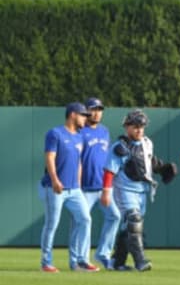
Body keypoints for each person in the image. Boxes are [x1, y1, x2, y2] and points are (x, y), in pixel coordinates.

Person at [102, 109, 176, 272]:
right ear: (127, 127)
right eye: (135, 126)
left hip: (143, 190)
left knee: (128, 227)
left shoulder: (147, 142)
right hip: (125, 189)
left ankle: (117, 262)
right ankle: (140, 261)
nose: (139, 129)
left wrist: (162, 168)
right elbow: (109, 171)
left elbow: (148, 162)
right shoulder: (120, 147)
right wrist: (106, 191)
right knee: (134, 221)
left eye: (141, 126)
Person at [39, 102, 100, 273]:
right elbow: (50, 158)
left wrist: (78, 185)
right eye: (83, 115)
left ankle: (80, 261)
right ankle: (46, 263)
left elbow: (79, 162)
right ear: (73, 114)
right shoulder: (55, 133)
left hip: (74, 189)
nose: (85, 119)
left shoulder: (80, 136)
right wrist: (55, 180)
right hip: (55, 187)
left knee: (85, 220)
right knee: (52, 224)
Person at [79, 97, 121, 270]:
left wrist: (108, 186)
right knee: (83, 221)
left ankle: (102, 254)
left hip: (102, 187)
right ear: (86, 111)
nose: (97, 112)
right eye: (93, 109)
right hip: (83, 188)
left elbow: (107, 159)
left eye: (99, 109)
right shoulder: (80, 131)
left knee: (115, 216)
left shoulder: (104, 131)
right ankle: (81, 259)